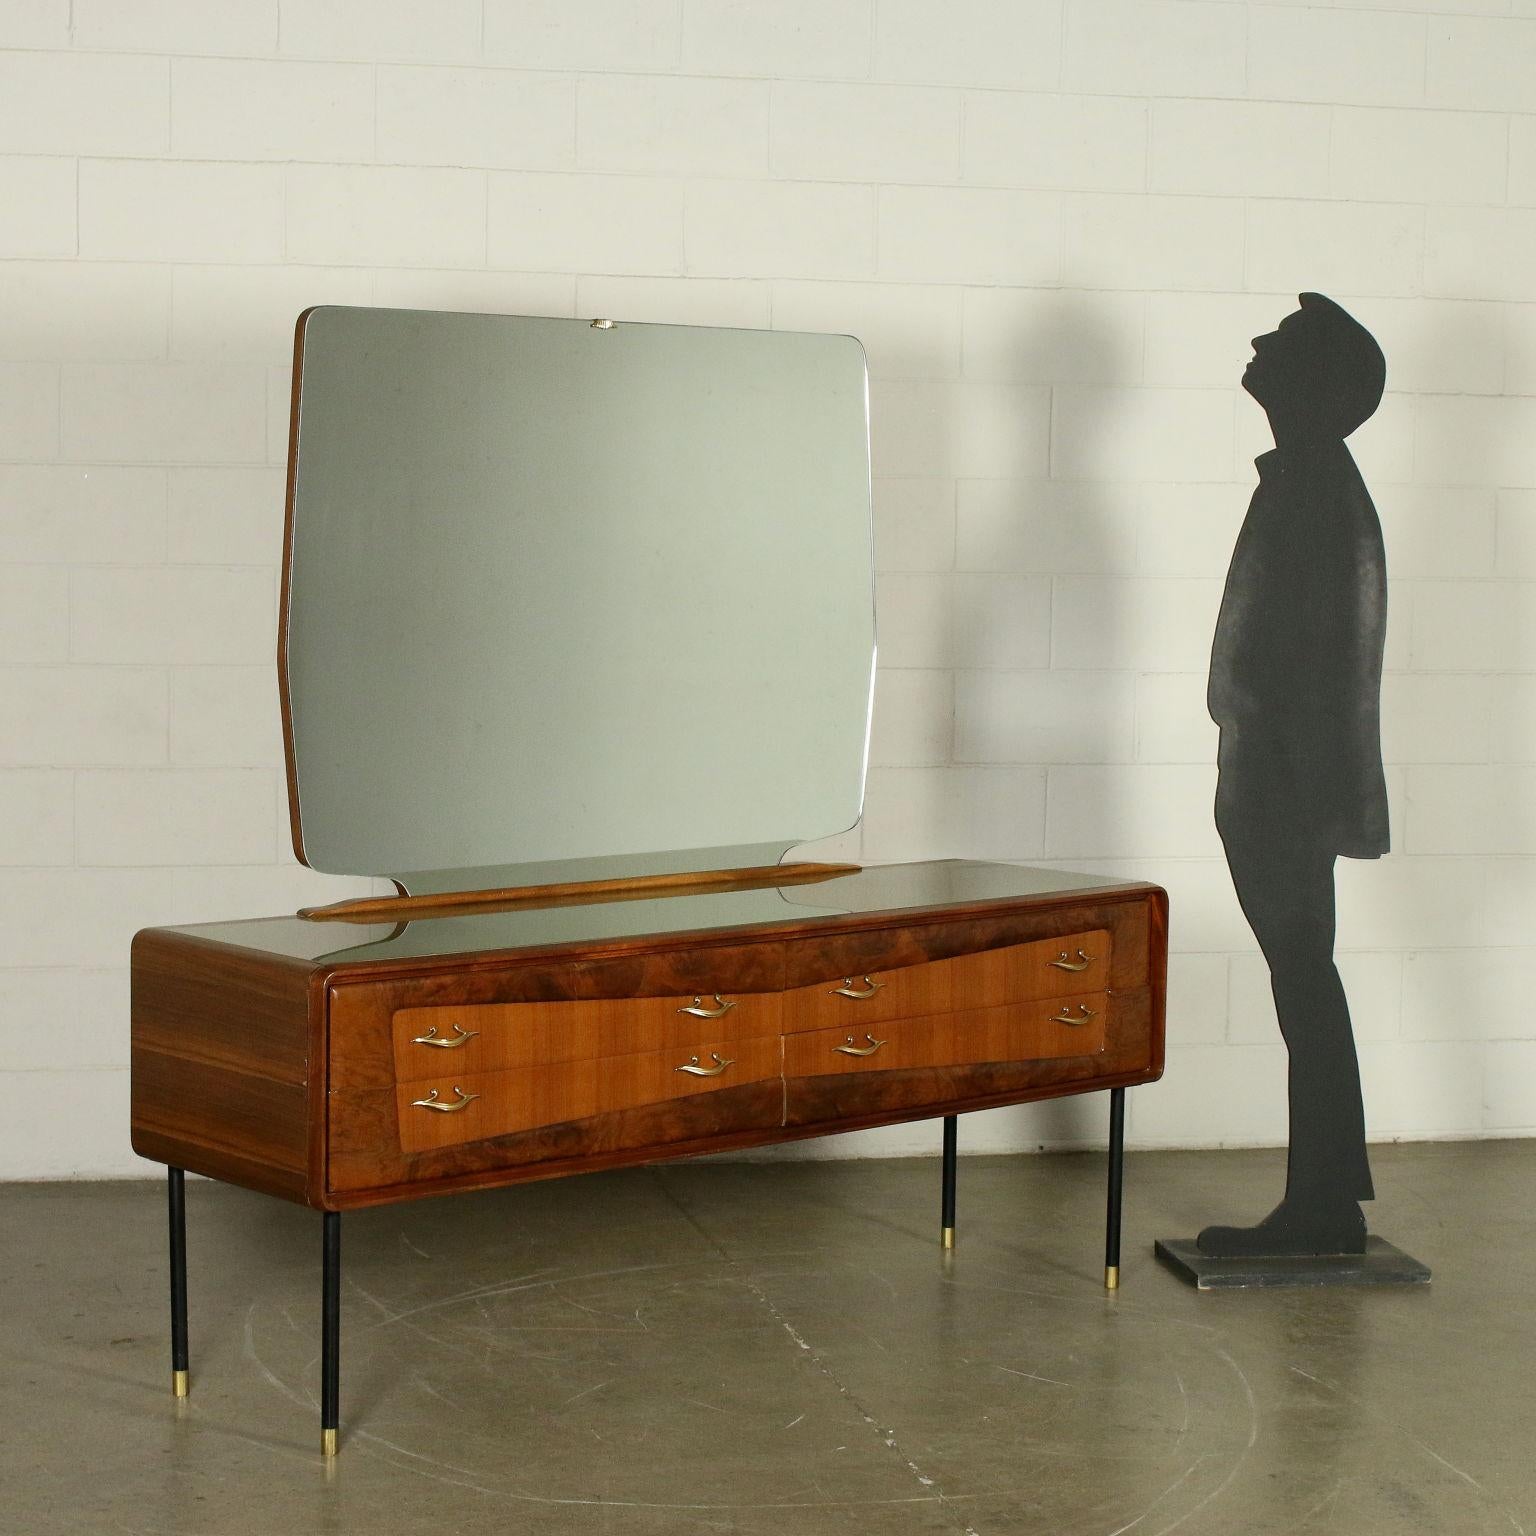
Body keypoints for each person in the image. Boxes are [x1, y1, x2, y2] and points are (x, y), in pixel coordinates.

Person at [1198, 292, 1389, 1258]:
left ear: (1308, 382)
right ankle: (1327, 1196)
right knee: (1305, 983)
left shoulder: (1314, 486)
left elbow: (1313, 664)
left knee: (1304, 983)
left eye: (1280, 338)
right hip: (1281, 781)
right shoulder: (1311, 479)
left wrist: (1281, 786)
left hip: (1286, 787)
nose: (1257, 341)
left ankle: (1322, 1206)